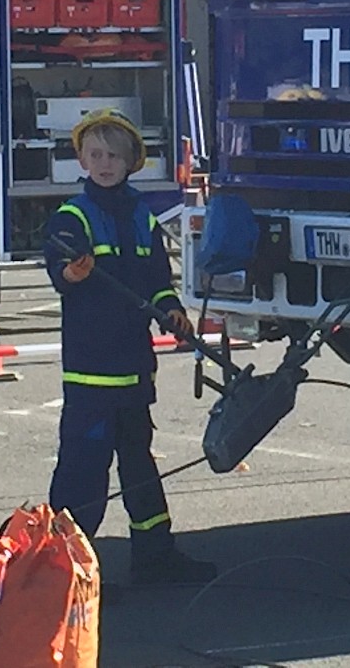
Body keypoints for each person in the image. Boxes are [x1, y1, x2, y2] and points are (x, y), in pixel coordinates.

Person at [43, 107, 217, 586]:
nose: (104, 163)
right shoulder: (72, 216)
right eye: (95, 154)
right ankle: (65, 571)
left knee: (139, 465)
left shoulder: (143, 217)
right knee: (83, 473)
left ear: (130, 162)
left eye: (113, 155)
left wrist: (172, 309)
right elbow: (57, 262)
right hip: (91, 373)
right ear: (81, 159)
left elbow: (157, 280)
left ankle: (155, 555)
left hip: (135, 370)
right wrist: (70, 273)